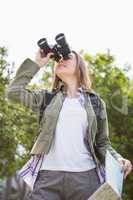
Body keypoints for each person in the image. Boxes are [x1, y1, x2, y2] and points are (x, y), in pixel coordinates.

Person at [6, 49, 132, 200]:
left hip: (85, 178)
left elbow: (102, 143)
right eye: (59, 59)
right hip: (47, 177)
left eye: (67, 57)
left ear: (79, 68)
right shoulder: (46, 98)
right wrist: (37, 63)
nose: (61, 60)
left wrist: (118, 159)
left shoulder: (95, 102)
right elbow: (13, 93)